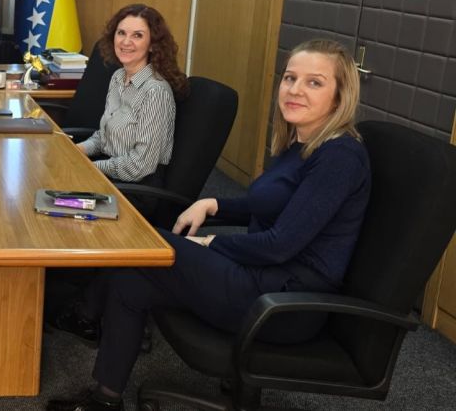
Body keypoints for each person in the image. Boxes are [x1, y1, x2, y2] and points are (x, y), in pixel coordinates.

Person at [48, 39, 371, 411]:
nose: (295, 89)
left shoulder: (339, 157)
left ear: (340, 97)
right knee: (132, 277)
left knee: (142, 245)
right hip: (262, 278)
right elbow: (270, 206)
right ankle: (105, 399)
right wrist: (213, 204)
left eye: (314, 82)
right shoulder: (301, 143)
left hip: (284, 304)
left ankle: (85, 314)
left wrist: (210, 242)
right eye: (289, 78)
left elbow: (280, 244)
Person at [76, 4, 188, 183]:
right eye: (121, 33)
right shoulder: (118, 77)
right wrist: (76, 151)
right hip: (109, 170)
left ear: (152, 45)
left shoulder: (155, 92)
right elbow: (104, 137)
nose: (126, 42)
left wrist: (90, 167)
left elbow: (140, 166)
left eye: (137, 35)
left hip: (134, 186)